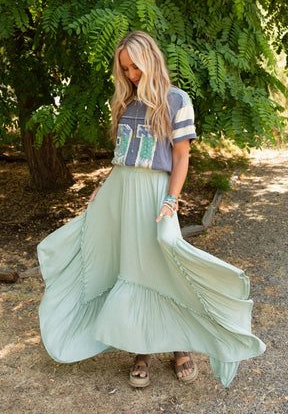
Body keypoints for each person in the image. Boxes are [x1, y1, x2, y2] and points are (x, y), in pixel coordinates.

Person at [38, 31, 265, 389]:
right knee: (130, 266)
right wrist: (104, 185)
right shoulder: (125, 102)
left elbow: (181, 157)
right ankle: (140, 350)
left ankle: (180, 346)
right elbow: (124, 156)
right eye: (125, 69)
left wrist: (171, 200)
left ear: (151, 59)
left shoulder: (177, 101)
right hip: (122, 191)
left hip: (156, 193)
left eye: (135, 67)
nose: (130, 75)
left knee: (164, 264)